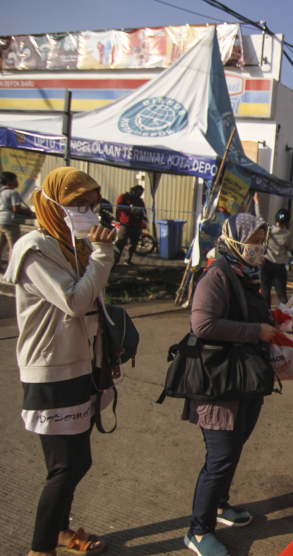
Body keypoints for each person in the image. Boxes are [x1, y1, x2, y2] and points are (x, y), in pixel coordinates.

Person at [4, 167, 116, 556]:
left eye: (92, 204)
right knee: (68, 466)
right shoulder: (35, 249)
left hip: (83, 364)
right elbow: (75, 301)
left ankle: (62, 531)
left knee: (72, 463)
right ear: (50, 204)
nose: (87, 212)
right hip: (52, 370)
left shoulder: (76, 245)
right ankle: (41, 547)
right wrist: (103, 255)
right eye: (76, 205)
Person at [184, 213, 280, 556]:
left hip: (246, 381)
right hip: (220, 384)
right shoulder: (218, 276)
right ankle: (198, 531)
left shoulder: (248, 274)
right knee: (220, 457)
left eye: (259, 241)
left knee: (235, 447)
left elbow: (246, 314)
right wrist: (256, 332)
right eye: (251, 241)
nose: (257, 248)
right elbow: (203, 325)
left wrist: (274, 319)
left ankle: (221, 506)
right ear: (234, 240)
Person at [254, 193, 293, 307]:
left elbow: (259, 217)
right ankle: (285, 318)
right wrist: (291, 231)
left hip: (266, 264)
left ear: (276, 219)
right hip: (279, 267)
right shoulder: (288, 235)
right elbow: (291, 248)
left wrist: (257, 202)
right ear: (287, 223)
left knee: (265, 292)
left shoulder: (268, 229)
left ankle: (266, 316)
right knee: (281, 294)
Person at [0, 171, 36, 268]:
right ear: (9, 181)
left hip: (1, 221)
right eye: (15, 180)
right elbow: (16, 208)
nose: (17, 182)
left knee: (1, 244)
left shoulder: (1, 192)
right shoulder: (13, 193)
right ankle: (12, 267)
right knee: (14, 246)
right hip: (10, 222)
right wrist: (28, 211)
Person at [114, 184, 146, 265]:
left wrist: (142, 215)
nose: (138, 195)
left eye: (140, 193)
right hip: (126, 223)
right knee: (121, 242)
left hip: (137, 224)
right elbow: (119, 206)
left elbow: (144, 210)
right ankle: (115, 260)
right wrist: (132, 210)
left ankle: (128, 260)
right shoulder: (124, 197)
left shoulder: (140, 201)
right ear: (133, 191)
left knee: (133, 243)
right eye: (137, 193)